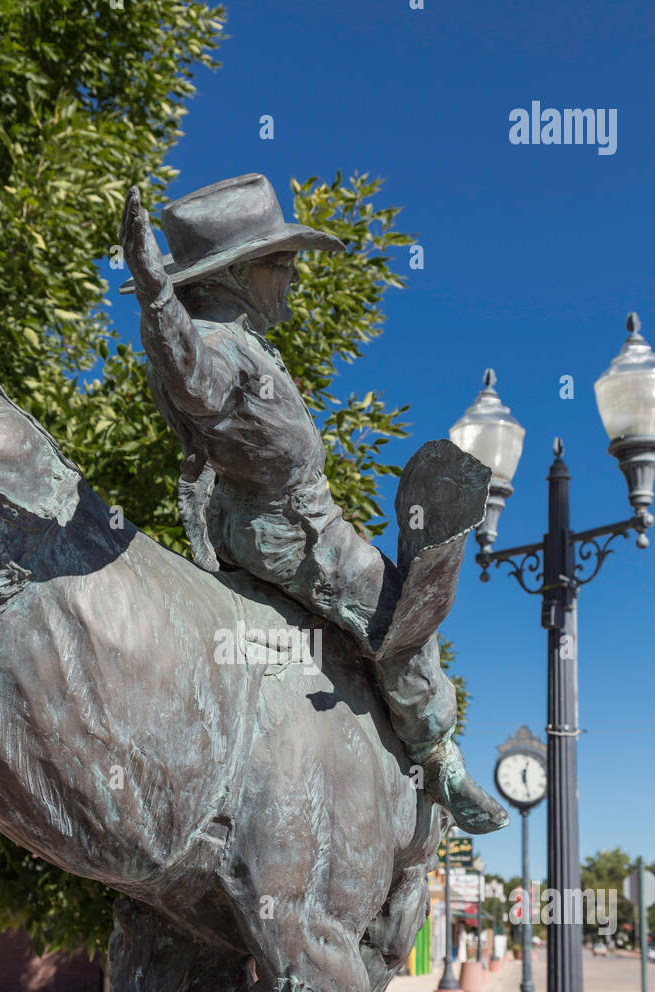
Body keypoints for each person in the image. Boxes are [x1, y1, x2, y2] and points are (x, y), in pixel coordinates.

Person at [120, 174, 507, 835]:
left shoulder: (242, 342)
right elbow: (194, 383)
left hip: (276, 522)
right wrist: (158, 300)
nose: (294, 275)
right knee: (403, 618)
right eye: (281, 262)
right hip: (297, 533)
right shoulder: (213, 345)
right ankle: (438, 757)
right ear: (237, 274)